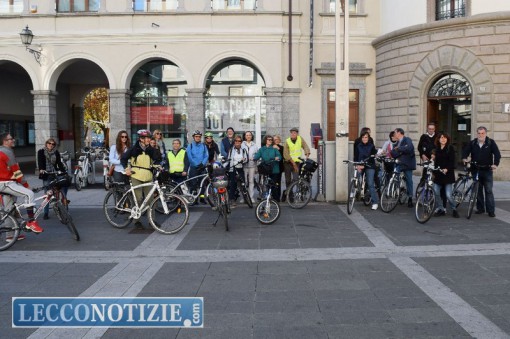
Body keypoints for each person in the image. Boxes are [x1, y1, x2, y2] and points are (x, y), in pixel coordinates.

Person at [0, 132, 43, 236]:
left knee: (9, 209)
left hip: (5, 182)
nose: (13, 140)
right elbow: (17, 172)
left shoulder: (2, 151)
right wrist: (26, 185)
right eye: (11, 139)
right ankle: (31, 222)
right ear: (5, 142)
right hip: (6, 183)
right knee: (29, 194)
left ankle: (10, 236)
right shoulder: (7, 152)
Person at [121, 129, 162, 229]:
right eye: (147, 138)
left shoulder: (151, 149)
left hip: (148, 176)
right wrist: (127, 169)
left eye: (149, 138)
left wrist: (158, 165)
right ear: (141, 139)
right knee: (138, 199)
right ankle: (136, 221)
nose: (148, 139)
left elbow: (157, 159)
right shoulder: (133, 149)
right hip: (136, 176)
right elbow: (123, 158)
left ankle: (151, 221)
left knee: (150, 200)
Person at [462, 126, 501, 217]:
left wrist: (495, 164)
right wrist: (464, 158)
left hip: (487, 170)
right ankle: (480, 208)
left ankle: (491, 210)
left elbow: (497, 154)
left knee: (488, 190)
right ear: (477, 133)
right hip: (476, 170)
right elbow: (465, 151)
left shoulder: (491, 142)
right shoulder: (473, 143)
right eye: (479, 133)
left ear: (486, 133)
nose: (481, 135)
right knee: (478, 190)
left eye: (482, 133)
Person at [37, 138, 69, 220]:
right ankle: (46, 212)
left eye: (53, 144)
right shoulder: (41, 151)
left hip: (54, 172)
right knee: (48, 193)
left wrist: (63, 171)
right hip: (46, 174)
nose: (51, 145)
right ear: (46, 144)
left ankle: (64, 200)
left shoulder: (56, 152)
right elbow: (40, 161)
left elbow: (59, 163)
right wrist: (41, 169)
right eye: (49, 143)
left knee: (63, 184)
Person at [431, 133, 458, 218]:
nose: (443, 139)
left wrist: (447, 168)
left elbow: (452, 161)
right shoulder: (436, 149)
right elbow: (435, 161)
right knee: (436, 192)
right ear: (438, 139)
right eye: (441, 138)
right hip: (438, 174)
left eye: (445, 138)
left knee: (448, 195)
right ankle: (441, 208)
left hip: (447, 174)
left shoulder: (450, 148)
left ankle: (454, 208)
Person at [390, 128, 416, 207]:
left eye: (395, 132)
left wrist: (399, 149)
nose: (394, 134)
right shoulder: (396, 143)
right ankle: (397, 192)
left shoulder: (407, 139)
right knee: (395, 176)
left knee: (409, 180)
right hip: (399, 163)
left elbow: (409, 148)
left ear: (399, 133)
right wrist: (401, 150)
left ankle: (410, 198)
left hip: (407, 164)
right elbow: (393, 153)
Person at [283, 127, 311, 199]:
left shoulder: (300, 139)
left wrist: (307, 154)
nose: (293, 134)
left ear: (297, 133)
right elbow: (286, 154)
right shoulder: (287, 141)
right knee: (288, 180)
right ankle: (290, 195)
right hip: (288, 163)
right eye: (291, 133)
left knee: (296, 179)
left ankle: (287, 191)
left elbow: (305, 146)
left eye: (294, 133)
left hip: (297, 163)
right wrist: (293, 163)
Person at [254, 135, 281, 201]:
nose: (270, 141)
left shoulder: (274, 148)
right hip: (265, 169)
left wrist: (278, 158)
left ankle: (275, 198)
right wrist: (253, 158)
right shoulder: (262, 149)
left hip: (274, 169)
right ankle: (265, 197)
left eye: (271, 140)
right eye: (268, 139)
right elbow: (256, 157)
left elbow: (279, 156)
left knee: (273, 184)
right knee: (266, 184)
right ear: (265, 140)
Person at [356, 132, 379, 210]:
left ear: (368, 138)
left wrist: (365, 164)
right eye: (363, 137)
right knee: (356, 178)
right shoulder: (358, 146)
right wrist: (357, 164)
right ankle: (359, 193)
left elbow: (372, 157)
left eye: (366, 137)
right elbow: (356, 156)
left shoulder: (371, 146)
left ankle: (375, 202)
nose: (364, 139)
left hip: (370, 166)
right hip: (360, 165)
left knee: (370, 183)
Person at [186, 130, 209, 205]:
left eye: (199, 136)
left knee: (202, 183)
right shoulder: (190, 146)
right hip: (193, 167)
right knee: (193, 183)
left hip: (202, 167)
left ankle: (202, 198)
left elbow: (206, 155)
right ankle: (194, 199)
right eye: (196, 136)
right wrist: (196, 164)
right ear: (193, 137)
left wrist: (202, 164)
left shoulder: (204, 145)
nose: (198, 138)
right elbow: (189, 157)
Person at [227, 135, 247, 206]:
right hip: (233, 168)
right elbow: (229, 159)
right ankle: (231, 199)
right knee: (233, 184)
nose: (238, 142)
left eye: (239, 141)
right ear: (234, 142)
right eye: (236, 141)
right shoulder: (231, 150)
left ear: (241, 142)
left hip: (240, 168)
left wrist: (243, 160)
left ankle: (245, 198)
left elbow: (246, 158)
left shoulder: (243, 150)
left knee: (243, 183)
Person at [242, 131, 259, 201]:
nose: (248, 136)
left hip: (252, 165)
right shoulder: (242, 144)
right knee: (244, 182)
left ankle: (251, 197)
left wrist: (256, 165)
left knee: (251, 181)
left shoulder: (254, 145)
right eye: (247, 135)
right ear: (245, 136)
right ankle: (244, 197)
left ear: (251, 136)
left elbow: (257, 155)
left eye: (249, 135)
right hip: (244, 165)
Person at [272, 135, 285, 202]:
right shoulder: (271, 147)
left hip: (279, 167)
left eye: (277, 139)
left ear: (279, 140)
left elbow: (283, 157)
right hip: (271, 167)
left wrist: (278, 149)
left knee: (278, 182)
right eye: (274, 139)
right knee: (272, 182)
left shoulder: (282, 148)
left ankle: (277, 197)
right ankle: (273, 196)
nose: (276, 140)